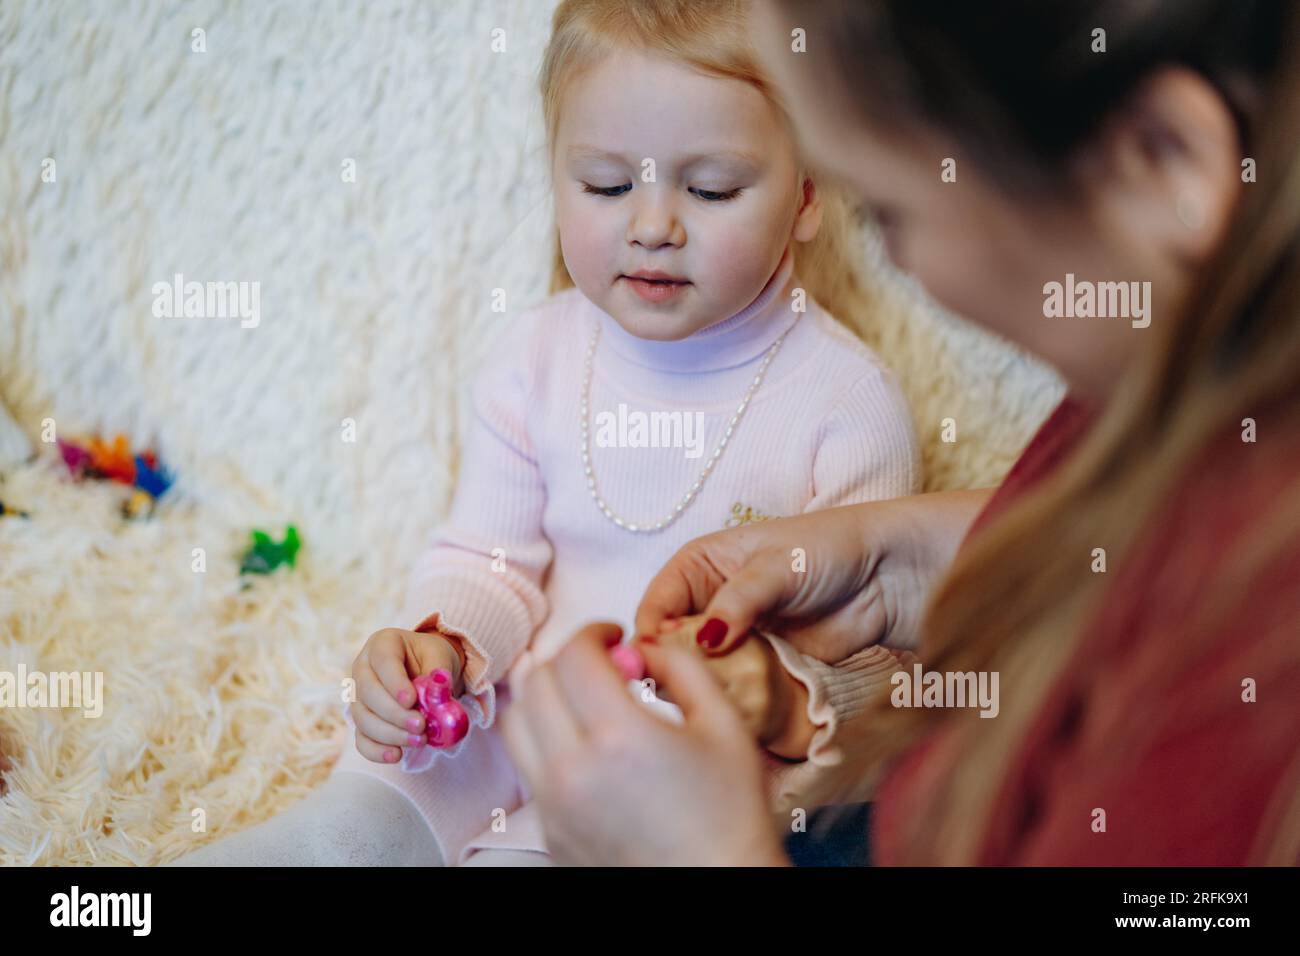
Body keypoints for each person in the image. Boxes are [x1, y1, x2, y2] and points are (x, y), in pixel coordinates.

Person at [501, 0, 1300, 866]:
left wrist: (706, 852)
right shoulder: (1180, 382)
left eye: (889, 211)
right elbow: (1140, 546)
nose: (898, 263)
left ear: (1162, 161)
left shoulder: (1239, 689)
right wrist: (917, 556)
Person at [172, 0, 921, 867]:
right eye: (605, 185)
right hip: (510, 712)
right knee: (356, 822)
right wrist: (441, 649)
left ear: (808, 194)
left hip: (678, 775)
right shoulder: (536, 353)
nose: (652, 225)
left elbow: (876, 669)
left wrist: (782, 696)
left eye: (711, 189)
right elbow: (489, 558)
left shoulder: (845, 404)